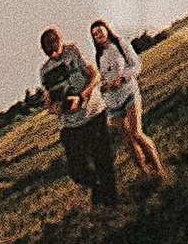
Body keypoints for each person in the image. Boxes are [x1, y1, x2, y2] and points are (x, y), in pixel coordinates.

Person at [38, 25, 121, 209]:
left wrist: (81, 96)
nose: (52, 56)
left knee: (103, 160)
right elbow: (48, 102)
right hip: (69, 124)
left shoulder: (73, 52)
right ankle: (97, 189)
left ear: (60, 43)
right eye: (48, 52)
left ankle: (112, 204)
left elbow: (94, 75)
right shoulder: (44, 71)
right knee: (77, 170)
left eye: (54, 50)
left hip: (92, 114)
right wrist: (53, 107)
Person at [90, 19, 169, 183]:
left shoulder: (121, 44)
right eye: (95, 34)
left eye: (100, 30)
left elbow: (136, 65)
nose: (99, 35)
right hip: (112, 103)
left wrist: (122, 78)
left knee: (137, 133)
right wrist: (104, 87)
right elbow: (101, 81)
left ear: (106, 29)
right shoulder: (99, 57)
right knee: (129, 140)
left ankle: (160, 170)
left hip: (129, 93)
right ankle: (145, 173)